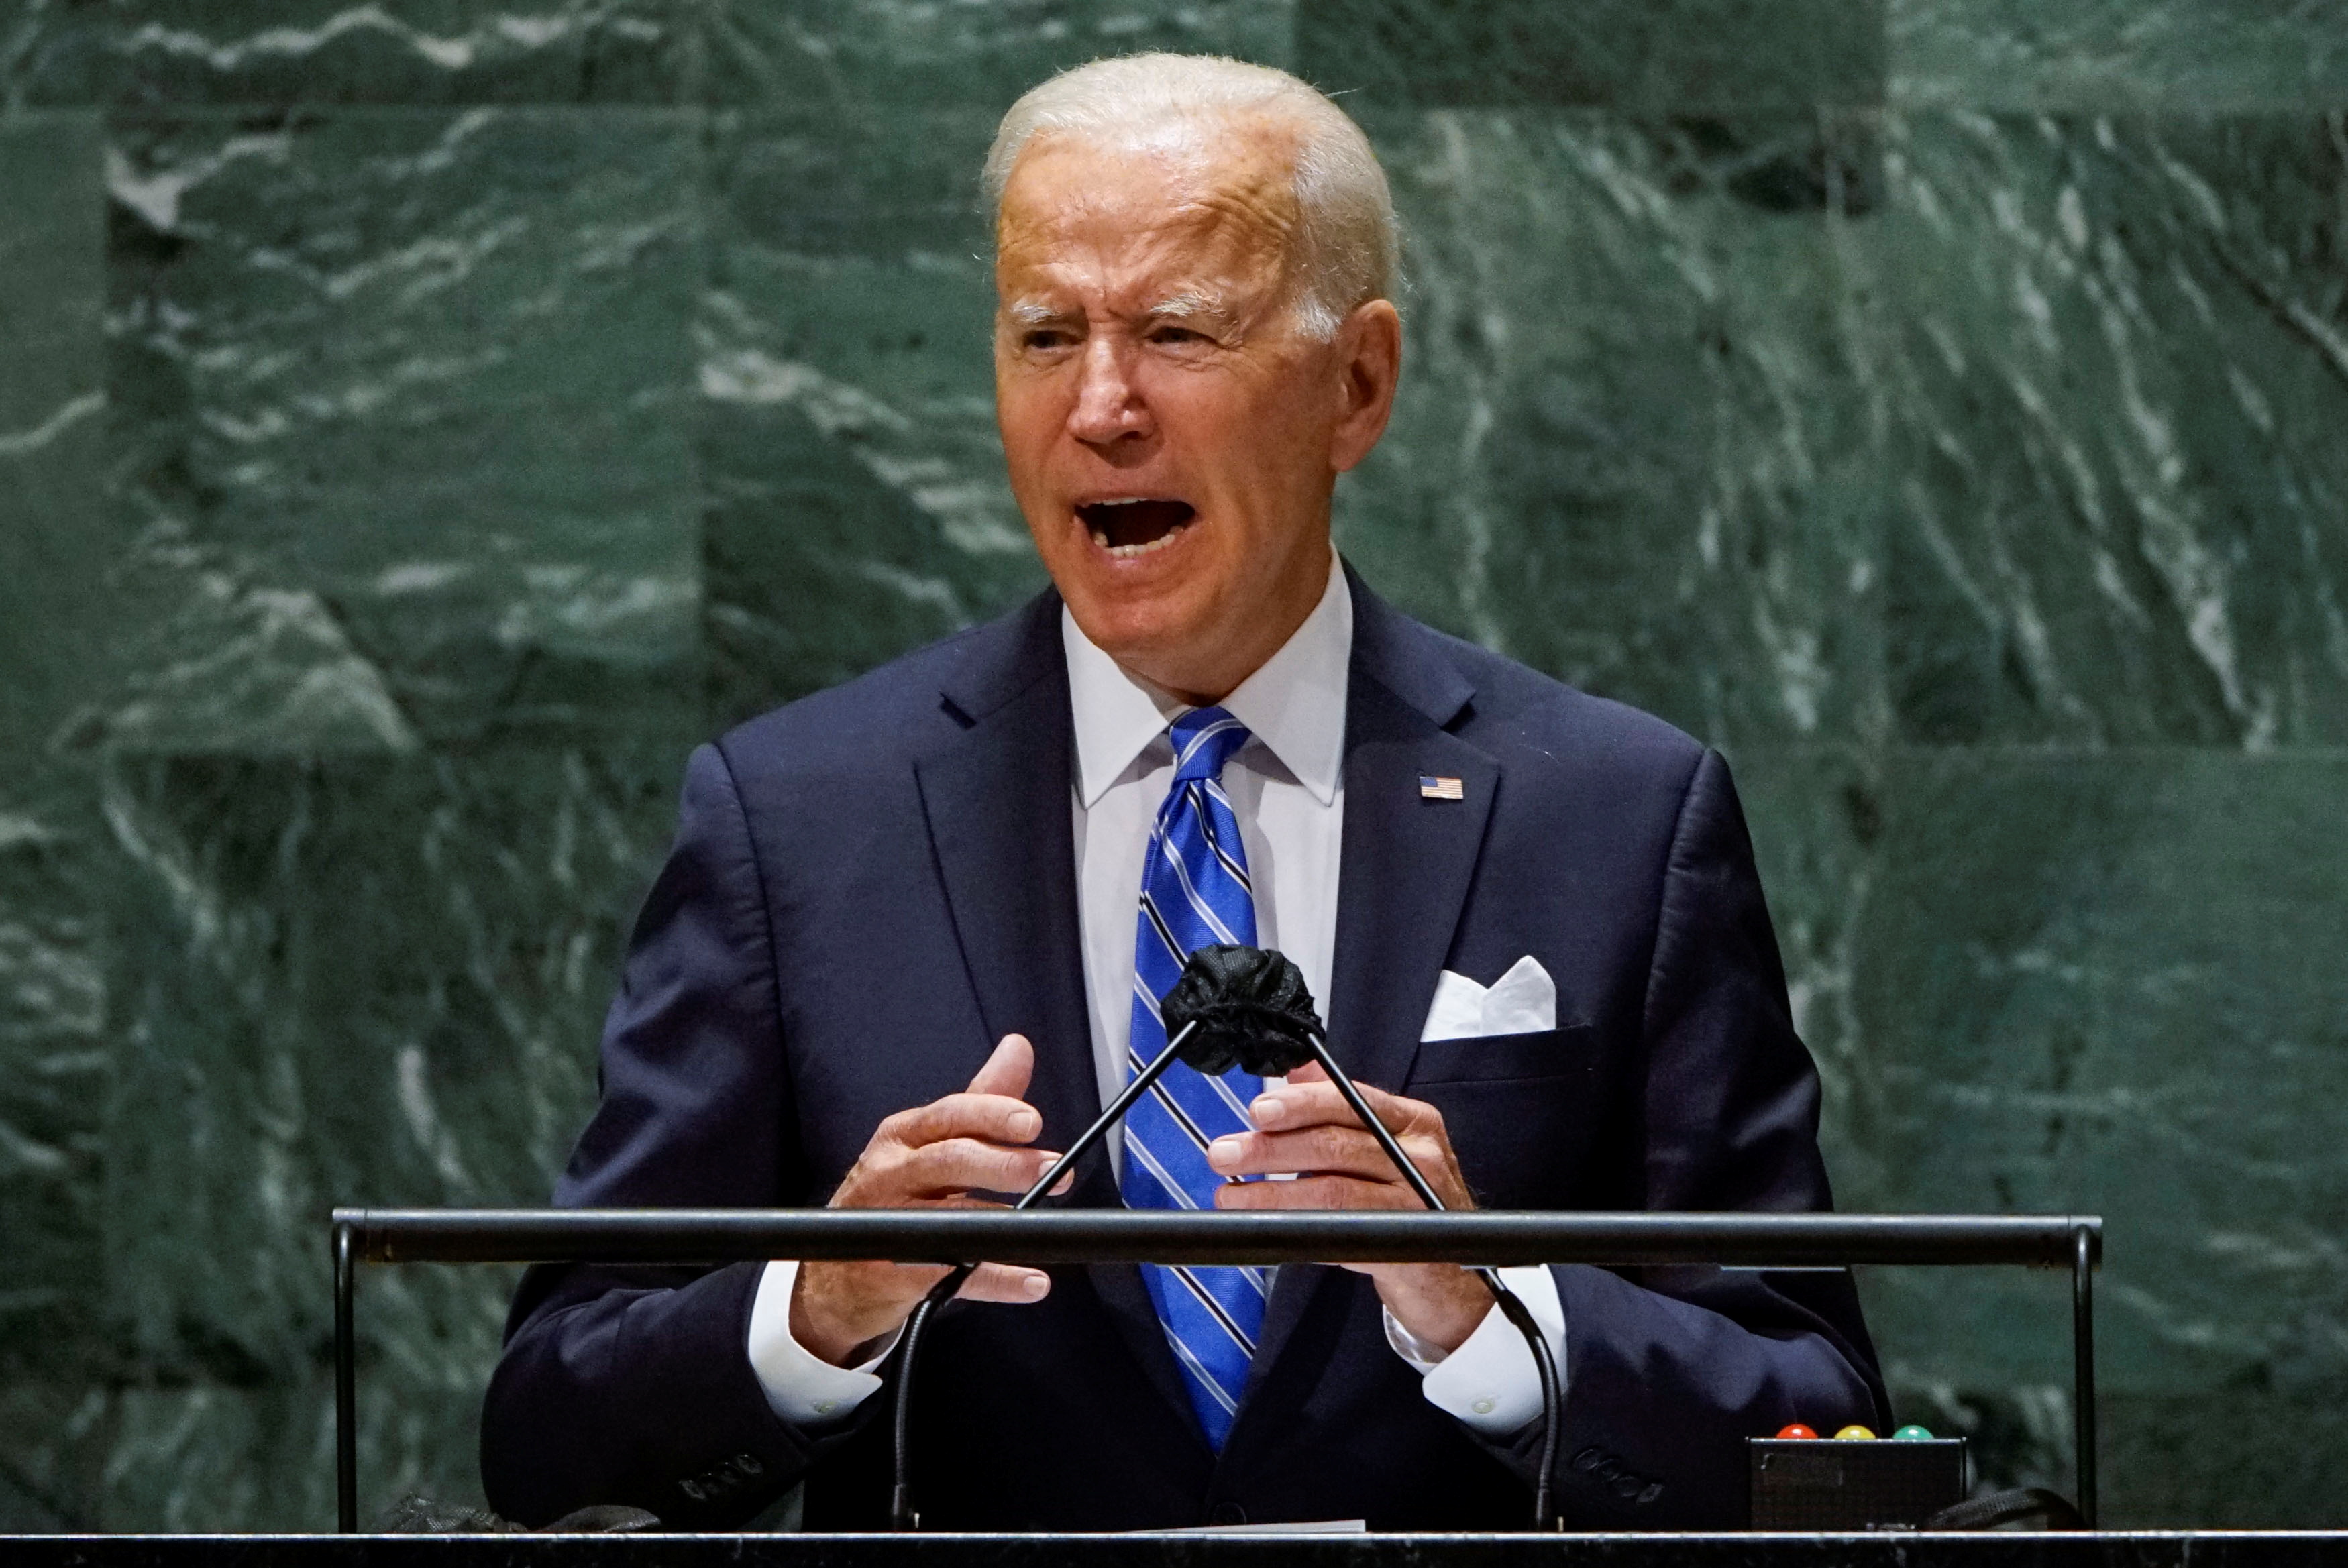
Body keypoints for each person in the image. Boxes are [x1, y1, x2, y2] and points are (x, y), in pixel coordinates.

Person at [481, 52, 1884, 1532]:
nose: (1100, 406)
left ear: (1357, 383)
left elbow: (1819, 1422)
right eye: (1042, 335)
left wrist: (1488, 1302)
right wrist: (817, 1306)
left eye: (1174, 331)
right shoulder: (799, 820)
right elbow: (550, 1434)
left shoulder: (1613, 814)